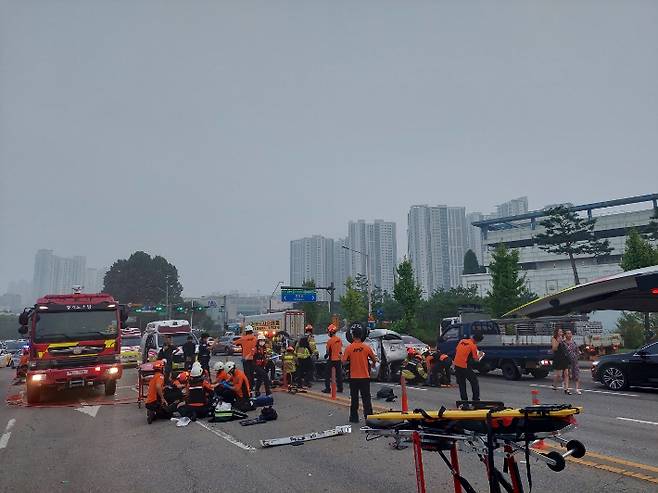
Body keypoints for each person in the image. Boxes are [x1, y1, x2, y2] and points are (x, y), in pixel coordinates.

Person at [342, 322, 377, 423]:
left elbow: (343, 362)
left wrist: (350, 361)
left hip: (353, 377)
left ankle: (354, 418)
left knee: (354, 398)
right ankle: (369, 418)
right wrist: (373, 364)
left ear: (353, 335)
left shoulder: (349, 348)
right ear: (361, 335)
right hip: (365, 377)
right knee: (366, 398)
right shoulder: (366, 347)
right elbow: (374, 359)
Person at [453, 332, 484, 403]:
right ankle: (476, 400)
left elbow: (457, 350)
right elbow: (476, 359)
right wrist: (480, 355)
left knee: (462, 384)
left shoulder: (462, 341)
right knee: (474, 382)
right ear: (478, 341)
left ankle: (464, 401)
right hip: (464, 366)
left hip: (457, 365)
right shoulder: (473, 346)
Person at [322, 324, 343, 394]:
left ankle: (328, 389)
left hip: (332, 359)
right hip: (338, 359)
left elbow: (328, 351)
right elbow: (340, 349)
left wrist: (326, 355)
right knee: (339, 374)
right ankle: (340, 388)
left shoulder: (330, 341)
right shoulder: (339, 340)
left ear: (331, 332)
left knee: (327, 374)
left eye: (328, 332)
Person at [563, 330, 581, 395]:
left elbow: (577, 350)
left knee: (576, 374)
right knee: (567, 375)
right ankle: (566, 388)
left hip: (575, 361)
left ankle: (577, 389)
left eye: (570, 333)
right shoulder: (563, 343)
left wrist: (577, 356)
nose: (569, 335)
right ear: (565, 335)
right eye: (567, 333)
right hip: (567, 361)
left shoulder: (574, 342)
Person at [551, 327, 569, 392]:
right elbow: (554, 348)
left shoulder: (564, 339)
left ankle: (566, 388)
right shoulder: (554, 338)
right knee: (558, 375)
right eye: (560, 331)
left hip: (564, 357)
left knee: (566, 373)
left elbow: (566, 347)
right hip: (557, 357)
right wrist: (558, 341)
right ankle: (555, 385)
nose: (561, 333)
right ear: (557, 332)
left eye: (562, 331)